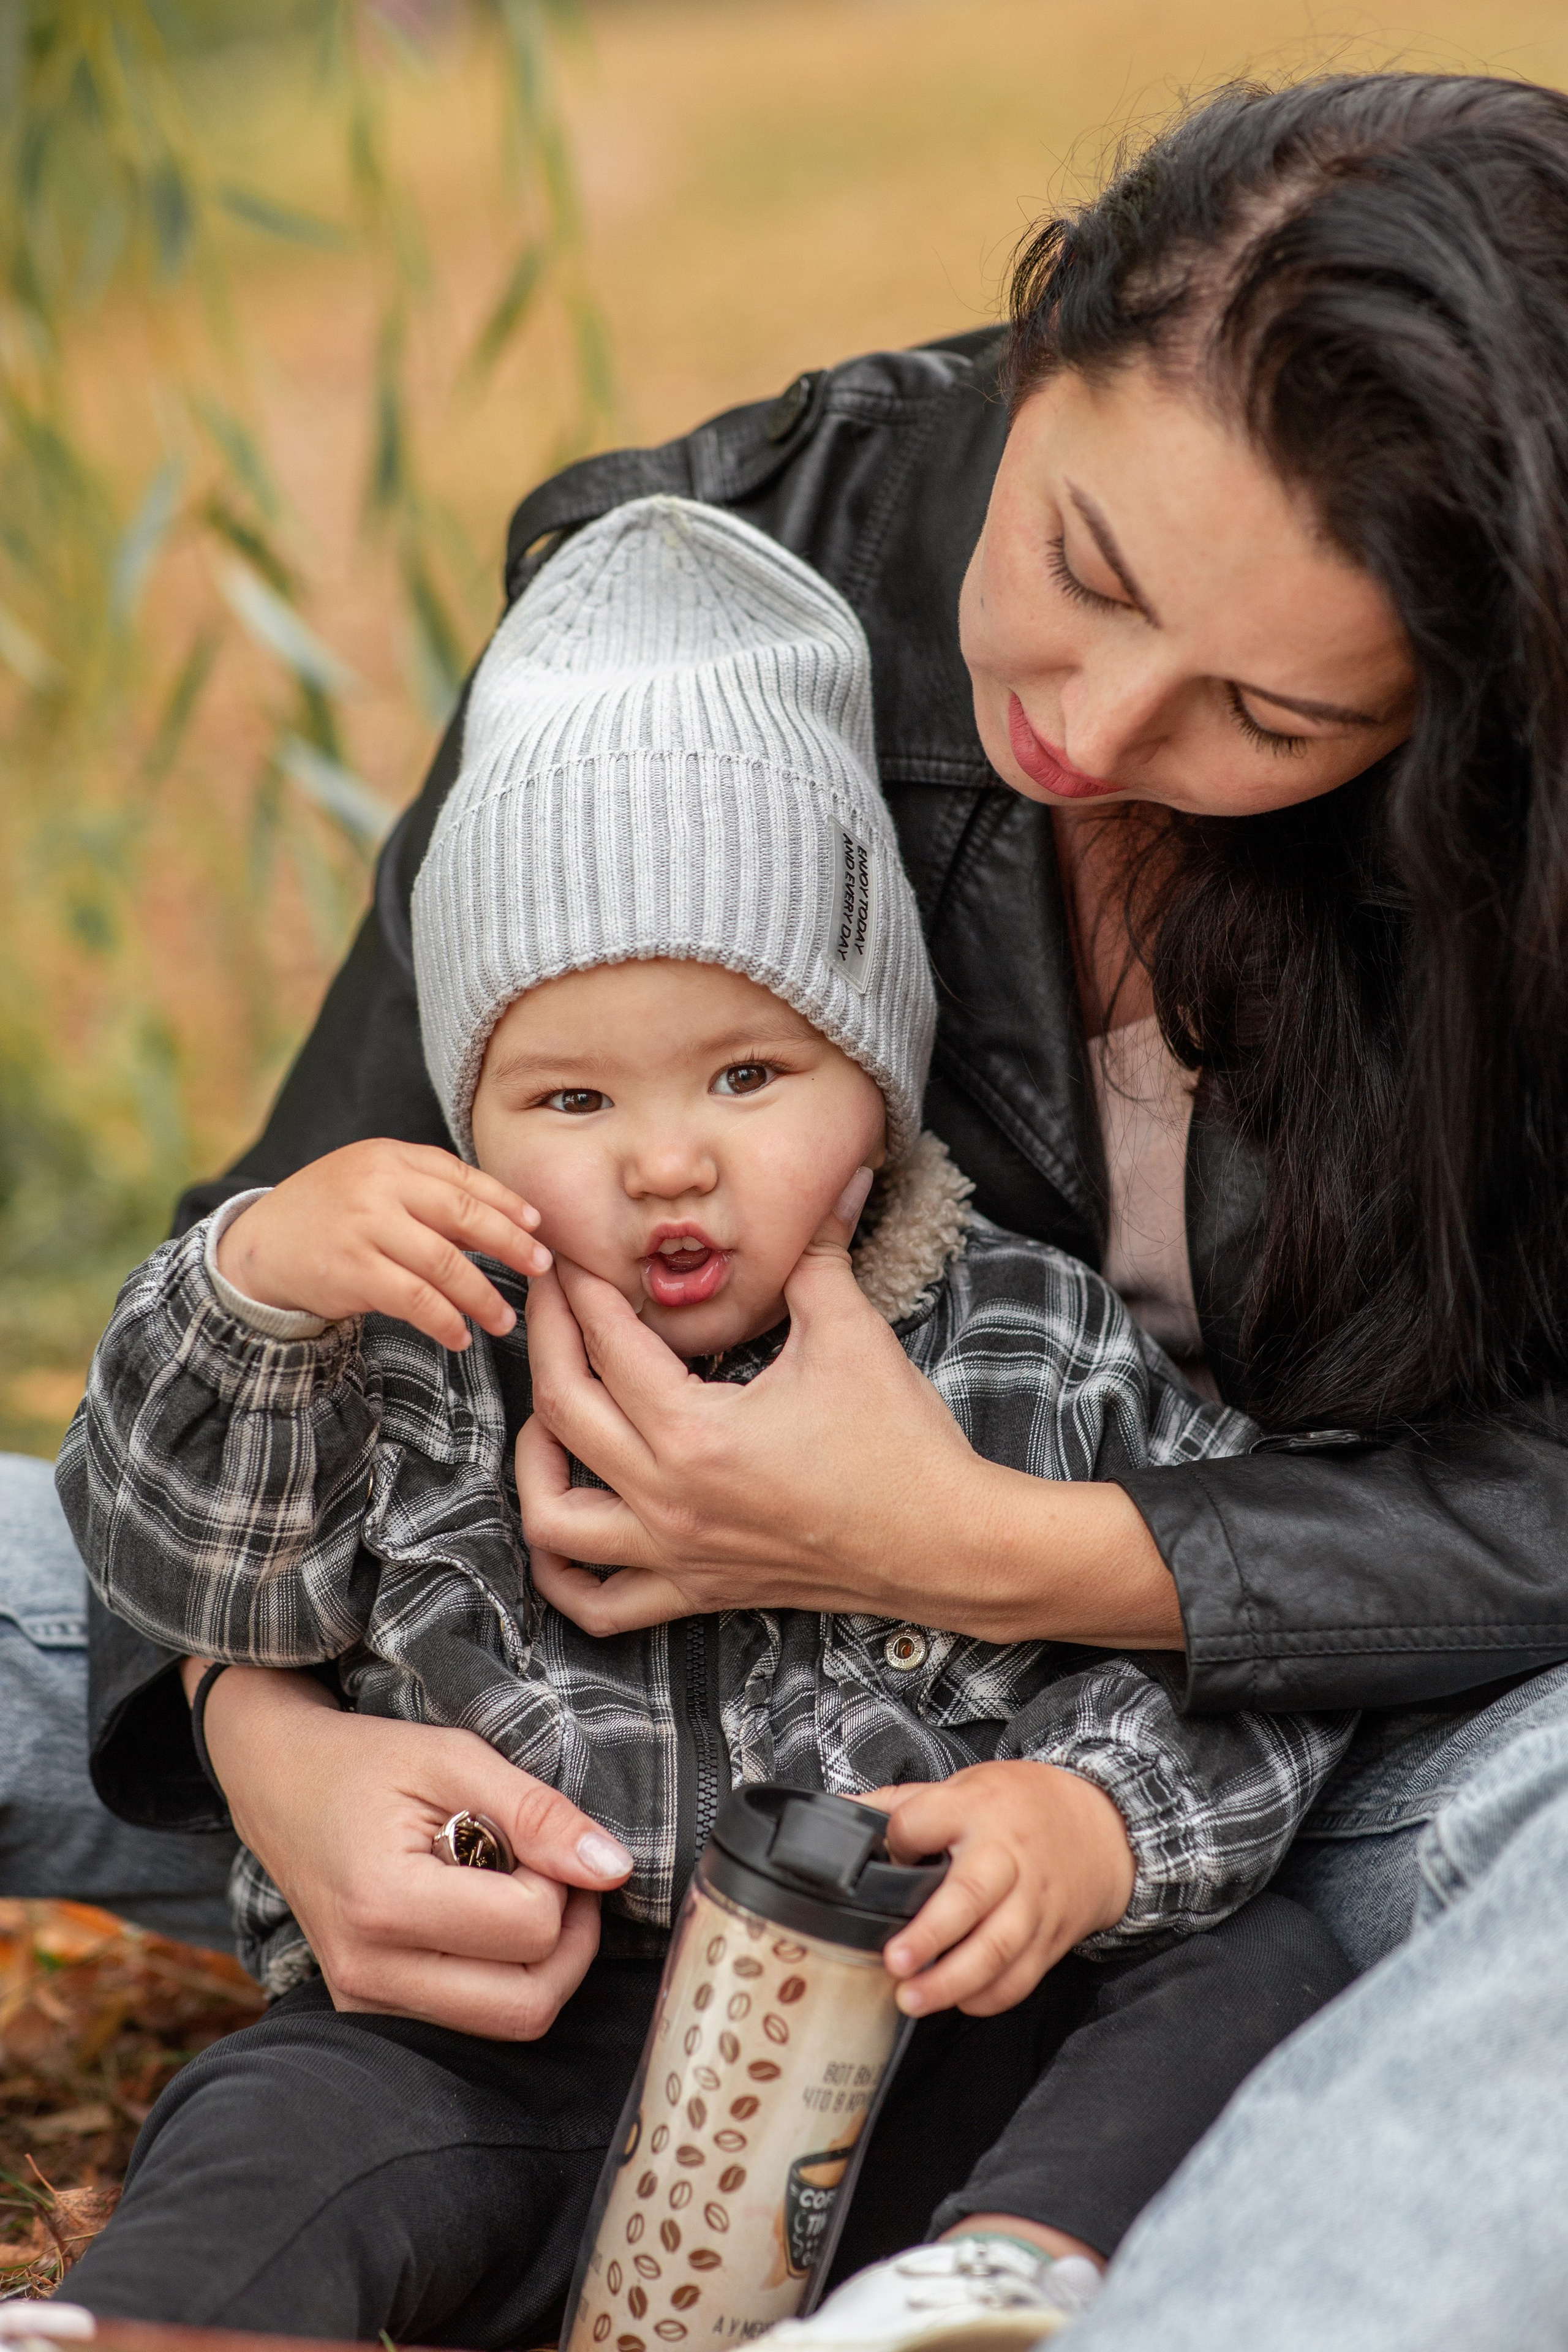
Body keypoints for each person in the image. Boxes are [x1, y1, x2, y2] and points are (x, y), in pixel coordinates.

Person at [9, 64, 1568, 2350]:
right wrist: (273, 1749)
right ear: (1051, 336)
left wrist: (973, 1551)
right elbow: (303, 1229)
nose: (1105, 722)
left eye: (1269, 709)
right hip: (543, 1697)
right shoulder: (711, 583)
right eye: (1084, 571)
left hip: (1230, 1761)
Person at [55, 495, 1351, 2339]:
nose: (669, 1162)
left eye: (750, 1074)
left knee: (1252, 1965)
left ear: (878, 1080)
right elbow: (197, 1566)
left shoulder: (1022, 1343)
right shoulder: (424, 1337)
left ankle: (1013, 2278)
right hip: (502, 2036)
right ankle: (190, 2317)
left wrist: (1082, 1820)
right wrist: (255, 1289)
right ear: (473, 1117)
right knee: (296, 2114)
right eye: (571, 1099)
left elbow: (1240, 1635)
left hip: (914, 2046)